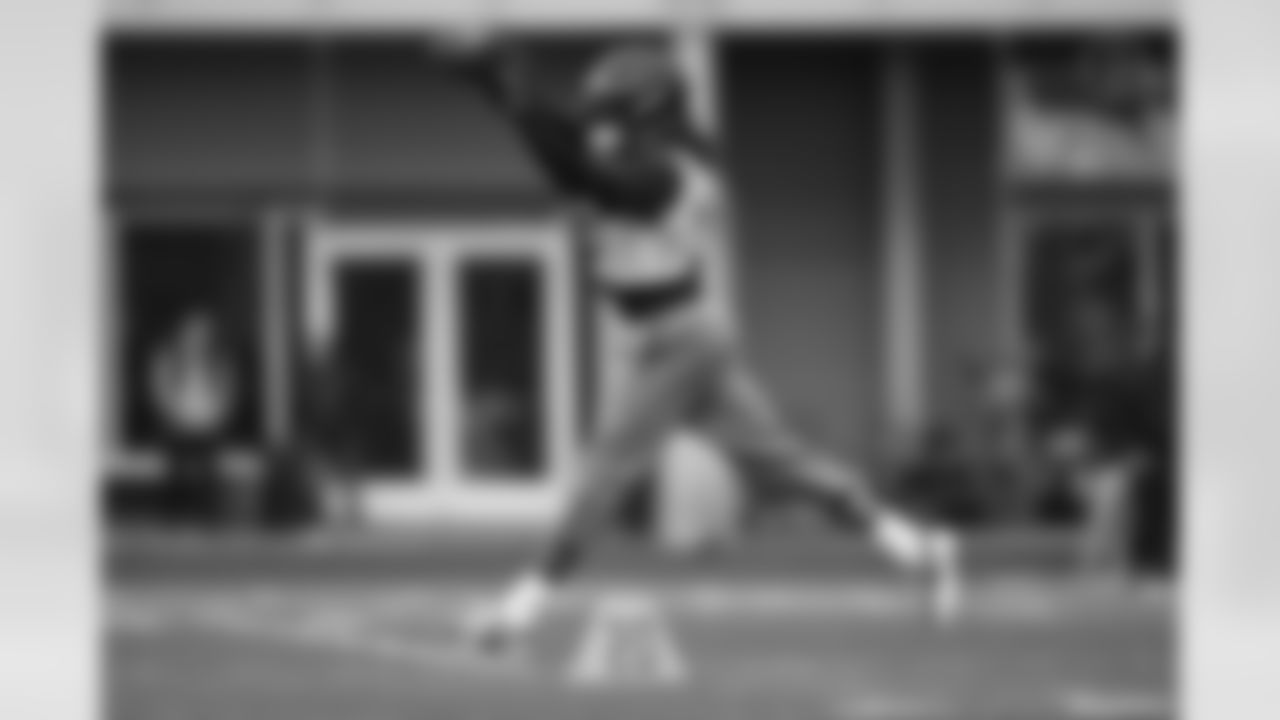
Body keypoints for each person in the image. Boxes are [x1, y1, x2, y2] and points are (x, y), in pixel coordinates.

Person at [433, 28, 963, 649]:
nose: (600, 129)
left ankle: (515, 614)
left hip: (677, 339)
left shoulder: (674, 172)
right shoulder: (643, 151)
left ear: (649, 115)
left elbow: (586, 171)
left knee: (606, 471)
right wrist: (505, 91)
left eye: (612, 118)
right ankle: (921, 548)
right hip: (671, 336)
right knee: (782, 467)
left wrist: (506, 89)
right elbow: (573, 150)